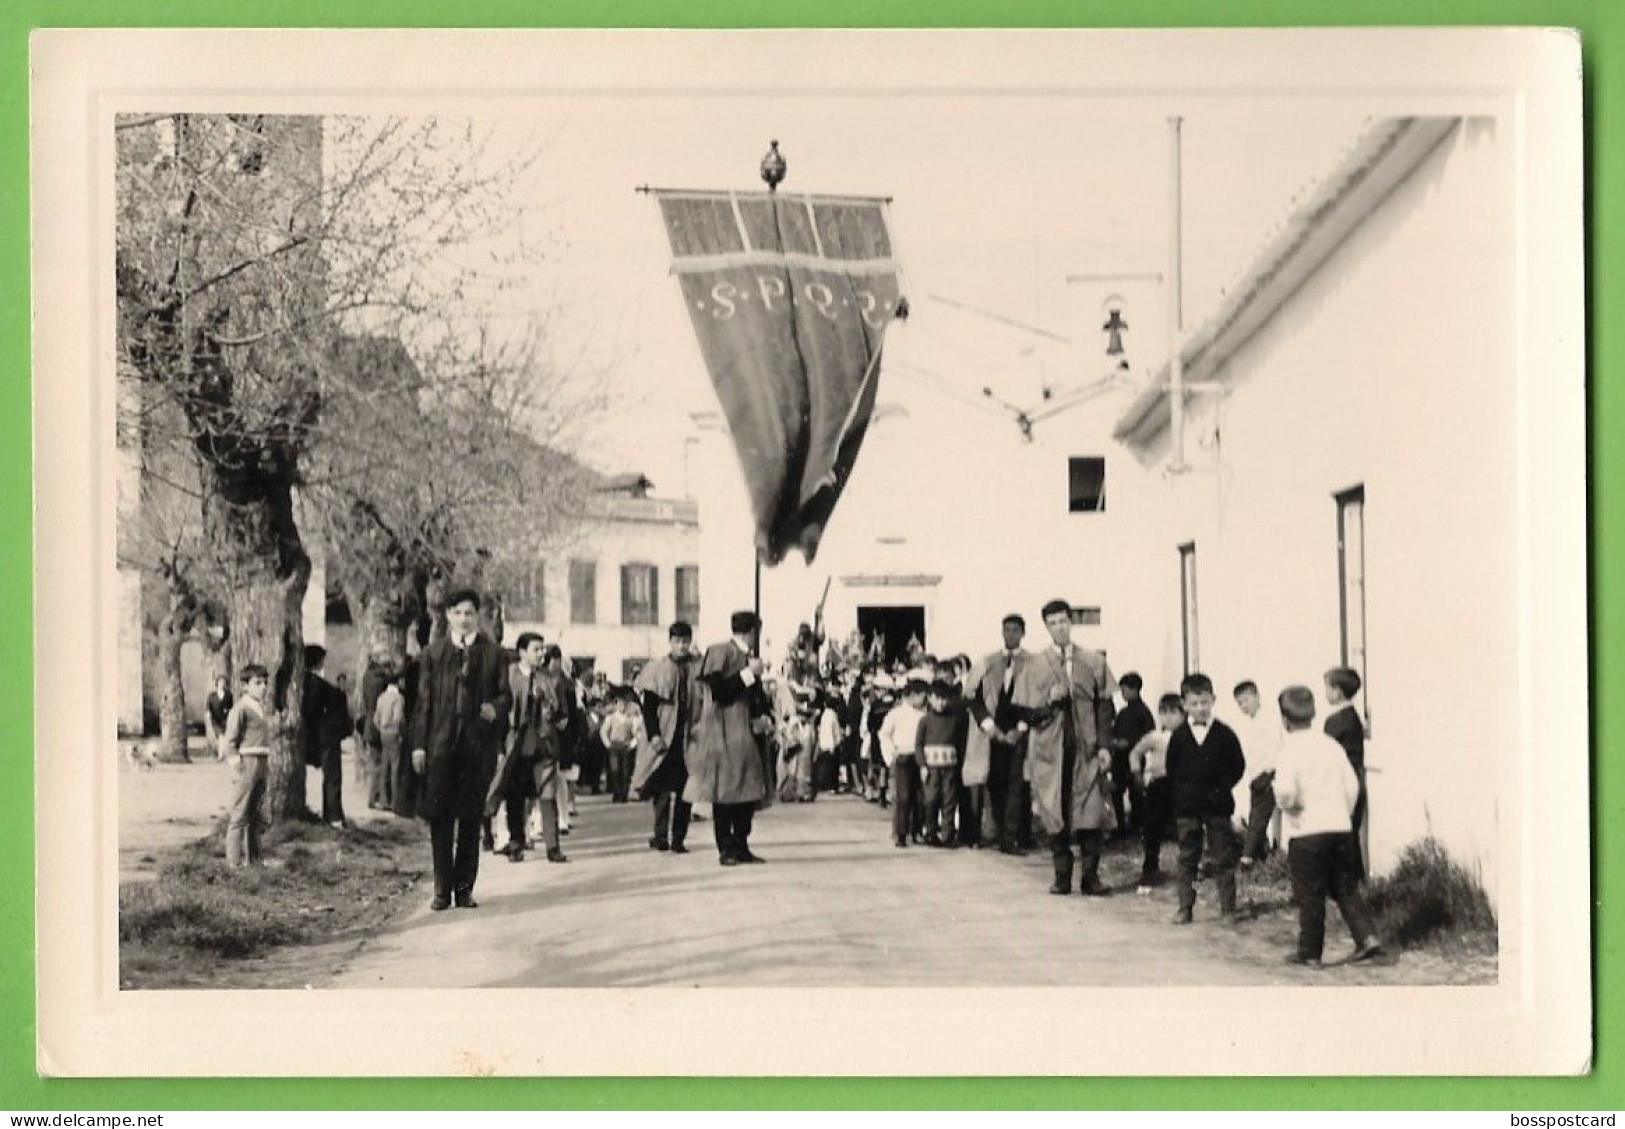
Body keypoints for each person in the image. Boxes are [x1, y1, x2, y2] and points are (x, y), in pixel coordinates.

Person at [410, 589, 512, 911]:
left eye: (469, 613)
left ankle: (464, 889)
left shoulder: (494, 654)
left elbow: (505, 696)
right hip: (439, 748)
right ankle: (441, 890)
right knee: (440, 819)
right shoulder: (432, 654)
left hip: (476, 747)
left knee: (470, 818)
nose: (464, 620)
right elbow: (422, 703)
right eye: (458, 613)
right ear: (448, 616)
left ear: (477, 616)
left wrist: (494, 709)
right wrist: (418, 746)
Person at [1272, 685, 1385, 967]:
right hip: (1339, 827)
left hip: (1307, 831)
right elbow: (1352, 785)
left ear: (1285, 720)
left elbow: (1285, 792)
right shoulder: (1331, 745)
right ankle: (1367, 936)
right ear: (1313, 714)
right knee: (1345, 887)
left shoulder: (1289, 751)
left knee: (1310, 892)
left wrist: (1291, 807)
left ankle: (1310, 952)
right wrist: (1341, 814)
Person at [1025, 599, 1119, 897]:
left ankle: (1090, 878)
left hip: (1086, 750)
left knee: (1090, 813)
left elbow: (1105, 706)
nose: (1059, 628)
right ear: (1046, 627)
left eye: (1063, 621)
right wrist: (1048, 700)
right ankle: (1061, 877)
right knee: (1056, 814)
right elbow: (1022, 713)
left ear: (1071, 622)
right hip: (1050, 755)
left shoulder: (1093, 661)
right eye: (1053, 623)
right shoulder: (1034, 665)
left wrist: (1104, 746)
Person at [686, 610, 772, 866]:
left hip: (746, 732)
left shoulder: (749, 657)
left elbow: (757, 696)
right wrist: (748, 674)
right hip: (723, 732)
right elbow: (719, 691)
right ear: (753, 631)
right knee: (724, 793)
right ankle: (726, 848)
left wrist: (764, 716)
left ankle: (742, 845)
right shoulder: (720, 652)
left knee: (746, 791)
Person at [1165, 672, 1247, 924]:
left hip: (1217, 806)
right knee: (1188, 856)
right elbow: (1172, 769)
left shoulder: (1225, 734)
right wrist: (1184, 793)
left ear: (1213, 700)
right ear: (1184, 704)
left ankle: (1228, 909)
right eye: (1194, 703)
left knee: (1222, 856)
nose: (1200, 708)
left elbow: (1237, 766)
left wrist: (1221, 789)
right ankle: (1185, 907)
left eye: (1205, 702)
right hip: (1188, 808)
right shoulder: (1179, 737)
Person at [964, 614, 1034, 855]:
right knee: (995, 783)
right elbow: (971, 697)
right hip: (992, 733)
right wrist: (988, 726)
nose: (1010, 634)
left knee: (1017, 784)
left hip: (1020, 731)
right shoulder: (987, 662)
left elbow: (1040, 700)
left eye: (1015, 630)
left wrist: (1021, 728)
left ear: (1023, 633)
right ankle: (997, 829)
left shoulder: (1033, 663)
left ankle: (1010, 838)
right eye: (1006, 630)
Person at [632, 621, 700, 853]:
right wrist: (653, 735)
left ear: (690, 642)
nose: (682, 646)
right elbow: (648, 707)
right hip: (665, 734)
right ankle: (660, 835)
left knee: (686, 791)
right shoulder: (657, 668)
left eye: (685, 641)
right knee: (661, 790)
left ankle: (679, 838)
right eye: (678, 641)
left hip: (688, 737)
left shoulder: (697, 668)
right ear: (670, 642)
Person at [1129, 693, 1184, 892]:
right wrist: (1137, 774)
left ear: (1183, 714)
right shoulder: (1155, 737)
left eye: (1173, 713)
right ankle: (1150, 866)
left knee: (1184, 826)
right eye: (1164, 713)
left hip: (1180, 785)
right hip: (1159, 784)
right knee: (1152, 826)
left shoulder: (1187, 736)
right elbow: (1135, 752)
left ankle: (1189, 868)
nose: (1168, 718)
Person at [220, 665, 272, 868]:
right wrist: (237, 765)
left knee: (256, 815)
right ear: (245, 686)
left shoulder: (261, 707)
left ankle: (256, 862)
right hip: (247, 763)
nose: (263, 687)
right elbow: (230, 741)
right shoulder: (240, 708)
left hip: (261, 762)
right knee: (240, 814)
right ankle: (233, 863)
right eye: (258, 683)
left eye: (265, 683)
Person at [1323, 666, 1368, 878]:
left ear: (1338, 691)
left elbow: (1326, 755)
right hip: (1355, 781)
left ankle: (1349, 885)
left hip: (1342, 783)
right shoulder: (1353, 717)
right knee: (1350, 835)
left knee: (1341, 835)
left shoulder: (1336, 721)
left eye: (1327, 688)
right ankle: (1356, 885)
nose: (1325, 693)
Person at [1233, 679, 1283, 868]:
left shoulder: (1268, 719)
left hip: (1267, 773)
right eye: (1239, 703)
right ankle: (1260, 852)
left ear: (1256, 696)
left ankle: (1248, 857)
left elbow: (1275, 748)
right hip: (1256, 775)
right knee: (1257, 814)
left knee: (1258, 816)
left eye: (1246, 700)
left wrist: (1269, 771)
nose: (1243, 706)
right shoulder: (1253, 722)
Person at [303, 645, 351, 829]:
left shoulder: (303, 682)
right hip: (326, 736)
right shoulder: (317, 684)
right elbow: (314, 709)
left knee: (331, 776)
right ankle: (334, 816)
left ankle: (332, 815)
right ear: (318, 662)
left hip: (314, 736)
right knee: (333, 776)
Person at [879, 676, 929, 848]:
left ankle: (916, 831)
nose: (925, 700)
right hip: (902, 755)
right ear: (913, 694)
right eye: (923, 695)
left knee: (919, 797)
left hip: (919, 756)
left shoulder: (924, 714)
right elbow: (884, 734)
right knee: (903, 797)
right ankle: (901, 833)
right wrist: (890, 754)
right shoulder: (896, 713)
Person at [919, 679, 965, 847]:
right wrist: (922, 765)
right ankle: (930, 832)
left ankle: (947, 835)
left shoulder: (954, 720)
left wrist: (960, 763)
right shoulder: (925, 720)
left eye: (944, 698)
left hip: (950, 767)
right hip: (931, 767)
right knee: (931, 800)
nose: (941, 702)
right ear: (930, 698)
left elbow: (960, 743)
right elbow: (919, 744)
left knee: (949, 800)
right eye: (937, 698)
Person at [1109, 672, 1156, 836]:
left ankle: (1137, 827)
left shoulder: (1144, 712)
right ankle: (1120, 827)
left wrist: (1129, 743)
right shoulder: (1122, 713)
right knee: (1117, 792)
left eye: (1125, 690)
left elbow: (1149, 735)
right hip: (1120, 759)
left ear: (1135, 689)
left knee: (1136, 793)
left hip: (1135, 758)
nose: (1123, 694)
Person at [600, 686, 642, 803]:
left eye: (623, 704)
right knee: (615, 770)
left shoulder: (631, 718)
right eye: (619, 704)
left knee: (625, 770)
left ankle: (624, 793)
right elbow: (603, 731)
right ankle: (616, 792)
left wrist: (633, 743)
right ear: (616, 705)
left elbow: (637, 733)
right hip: (614, 745)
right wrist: (607, 743)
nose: (621, 707)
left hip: (626, 746)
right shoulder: (611, 717)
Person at [373, 673, 406, 814]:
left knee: (384, 766)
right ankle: (395, 802)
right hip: (394, 732)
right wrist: (401, 732)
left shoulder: (381, 697)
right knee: (395, 768)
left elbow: (376, 719)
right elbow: (398, 717)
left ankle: (382, 799)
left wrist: (381, 728)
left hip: (383, 733)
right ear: (397, 682)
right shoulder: (398, 698)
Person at [204, 675, 233, 761]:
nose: (222, 684)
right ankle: (221, 755)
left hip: (226, 719)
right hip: (215, 719)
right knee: (221, 735)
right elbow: (208, 708)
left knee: (223, 736)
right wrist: (208, 717)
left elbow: (231, 707)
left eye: (223, 682)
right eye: (220, 682)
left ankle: (222, 754)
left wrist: (228, 711)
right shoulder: (212, 695)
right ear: (217, 684)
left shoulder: (229, 695)